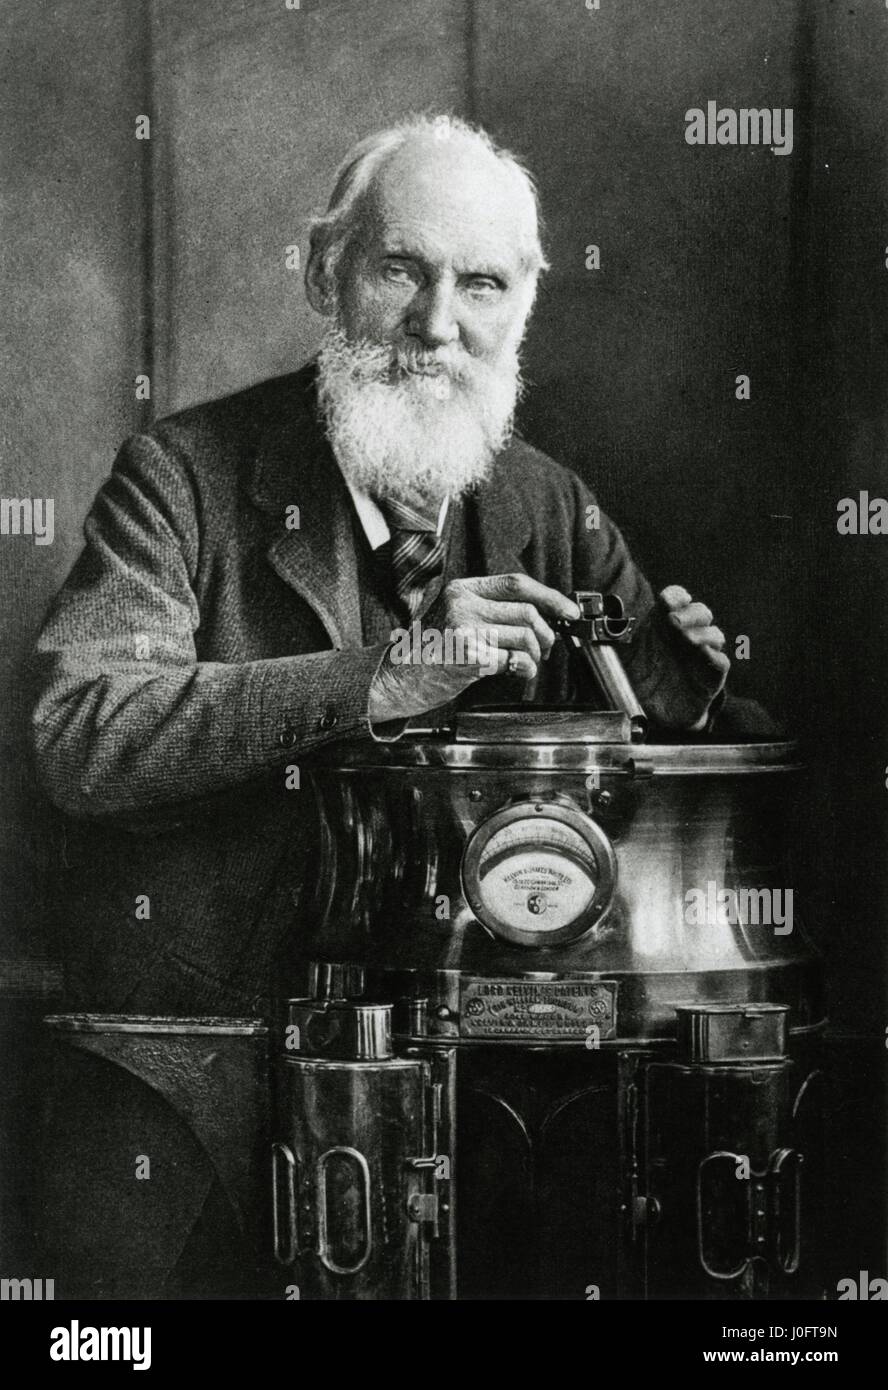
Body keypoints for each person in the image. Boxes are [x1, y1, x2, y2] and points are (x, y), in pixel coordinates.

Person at [31, 114, 741, 1020]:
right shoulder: (179, 477)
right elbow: (83, 738)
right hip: (235, 1039)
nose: (435, 325)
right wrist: (382, 679)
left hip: (497, 1048)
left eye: (480, 285)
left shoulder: (553, 504)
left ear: (521, 308)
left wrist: (681, 709)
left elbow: (662, 775)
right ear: (327, 274)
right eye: (401, 270)